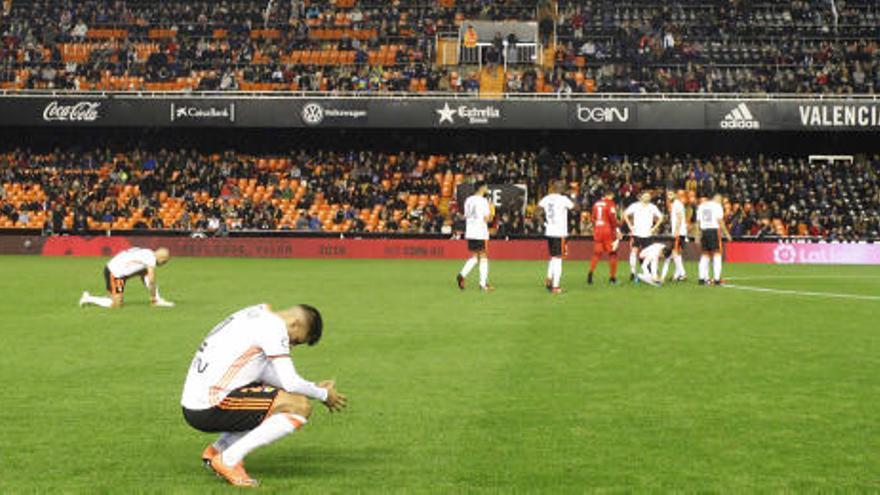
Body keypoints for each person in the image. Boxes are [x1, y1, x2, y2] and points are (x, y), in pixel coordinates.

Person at [181, 304, 347, 487]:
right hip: (209, 405)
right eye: (296, 341)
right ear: (295, 323)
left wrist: (312, 388)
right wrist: (324, 395)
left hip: (197, 398)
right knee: (300, 407)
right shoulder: (273, 327)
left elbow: (263, 373)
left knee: (282, 398)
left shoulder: (258, 313)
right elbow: (290, 382)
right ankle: (228, 460)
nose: (291, 346)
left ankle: (218, 450)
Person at [79, 247, 173, 308]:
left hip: (117, 269)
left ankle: (157, 300)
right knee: (116, 304)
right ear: (162, 259)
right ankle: (88, 298)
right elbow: (151, 280)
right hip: (115, 272)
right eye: (165, 262)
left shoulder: (147, 252)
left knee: (145, 274)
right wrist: (152, 296)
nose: (163, 264)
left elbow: (145, 277)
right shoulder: (151, 259)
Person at [537, 180, 575, 294]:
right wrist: (572, 196)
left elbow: (536, 212)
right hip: (560, 232)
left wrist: (544, 223)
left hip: (549, 231)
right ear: (561, 188)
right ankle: (556, 286)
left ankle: (549, 279)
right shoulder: (563, 199)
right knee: (558, 259)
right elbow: (576, 208)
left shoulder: (547, 198)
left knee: (553, 257)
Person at [456, 181, 494, 291]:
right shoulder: (483, 201)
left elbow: (466, 216)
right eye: (486, 187)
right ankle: (483, 284)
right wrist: (491, 212)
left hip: (470, 231)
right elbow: (487, 219)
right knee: (483, 257)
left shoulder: (468, 200)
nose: (487, 188)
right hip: (480, 232)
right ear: (482, 188)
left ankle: (462, 275)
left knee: (475, 257)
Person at [624, 192, 663, 282]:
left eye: (649, 196)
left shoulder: (652, 207)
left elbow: (661, 217)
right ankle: (633, 273)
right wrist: (630, 225)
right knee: (634, 252)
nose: (647, 197)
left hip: (648, 234)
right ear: (641, 197)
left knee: (650, 254)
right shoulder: (635, 206)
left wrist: (654, 228)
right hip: (637, 233)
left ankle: (650, 272)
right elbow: (625, 214)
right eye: (645, 196)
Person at [696, 193, 733, 285]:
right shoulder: (717, 206)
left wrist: (697, 234)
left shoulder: (702, 206)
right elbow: (720, 221)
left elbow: (698, 222)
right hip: (713, 231)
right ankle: (716, 279)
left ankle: (701, 278)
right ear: (718, 199)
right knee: (717, 255)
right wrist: (727, 234)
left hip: (704, 231)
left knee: (705, 255)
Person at [588, 188, 620, 284]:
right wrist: (616, 228)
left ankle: (590, 273)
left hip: (598, 230)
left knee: (597, 254)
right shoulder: (610, 203)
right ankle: (612, 278)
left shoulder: (596, 204)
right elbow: (612, 218)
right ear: (610, 195)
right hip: (607, 230)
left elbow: (592, 218)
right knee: (612, 253)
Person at [663, 190, 689, 281]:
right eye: (668, 195)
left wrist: (677, 230)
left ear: (675, 195)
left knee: (675, 253)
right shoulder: (675, 204)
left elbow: (679, 217)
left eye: (671, 194)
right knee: (677, 253)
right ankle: (677, 275)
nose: (669, 196)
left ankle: (682, 274)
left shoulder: (677, 204)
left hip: (679, 232)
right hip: (679, 232)